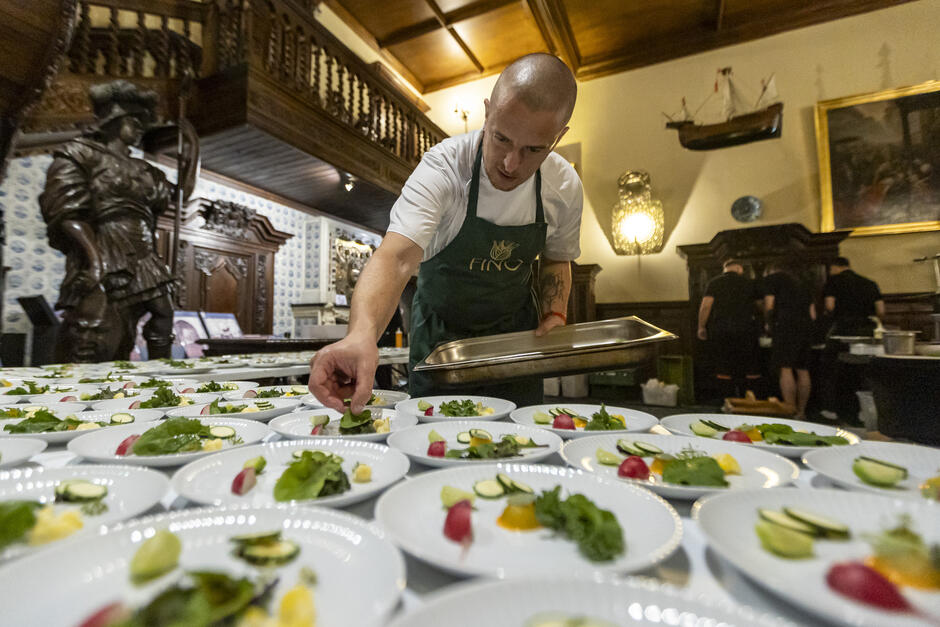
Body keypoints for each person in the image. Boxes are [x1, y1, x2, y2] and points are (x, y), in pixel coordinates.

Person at [309, 53, 581, 413]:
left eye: (534, 149)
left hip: (516, 342)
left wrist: (554, 316)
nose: (511, 163)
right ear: (487, 112)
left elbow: (556, 259)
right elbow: (396, 258)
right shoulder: (443, 168)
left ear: (558, 137)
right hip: (440, 341)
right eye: (501, 138)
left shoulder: (564, 187)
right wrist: (361, 335)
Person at [40, 80, 198, 360]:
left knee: (163, 311)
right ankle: (81, 392)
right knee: (96, 327)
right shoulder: (81, 153)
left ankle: (159, 374)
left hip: (142, 247)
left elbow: (179, 194)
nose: (140, 128)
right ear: (114, 120)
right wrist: (95, 259)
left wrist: (193, 152)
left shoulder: (143, 168)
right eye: (133, 121)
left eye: (142, 123)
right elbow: (67, 212)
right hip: (105, 241)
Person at [696, 259, 762, 399]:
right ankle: (749, 401)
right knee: (749, 365)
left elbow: (706, 306)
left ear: (725, 268)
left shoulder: (714, 282)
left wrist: (701, 327)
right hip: (746, 329)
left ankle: (727, 401)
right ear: (739, 268)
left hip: (722, 329)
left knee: (724, 366)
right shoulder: (750, 283)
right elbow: (760, 305)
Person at [762, 264, 816, 418]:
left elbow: (769, 304)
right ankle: (801, 411)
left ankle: (790, 409)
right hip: (806, 327)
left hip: (786, 326)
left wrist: (768, 323)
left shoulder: (772, 279)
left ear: (769, 272)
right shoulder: (803, 284)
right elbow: (812, 314)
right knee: (803, 370)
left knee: (786, 368)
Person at [822, 257, 885, 336]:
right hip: (867, 327)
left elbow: (830, 306)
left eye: (830, 270)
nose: (830, 272)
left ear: (834, 267)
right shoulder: (870, 283)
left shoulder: (833, 282)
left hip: (844, 327)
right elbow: (881, 310)